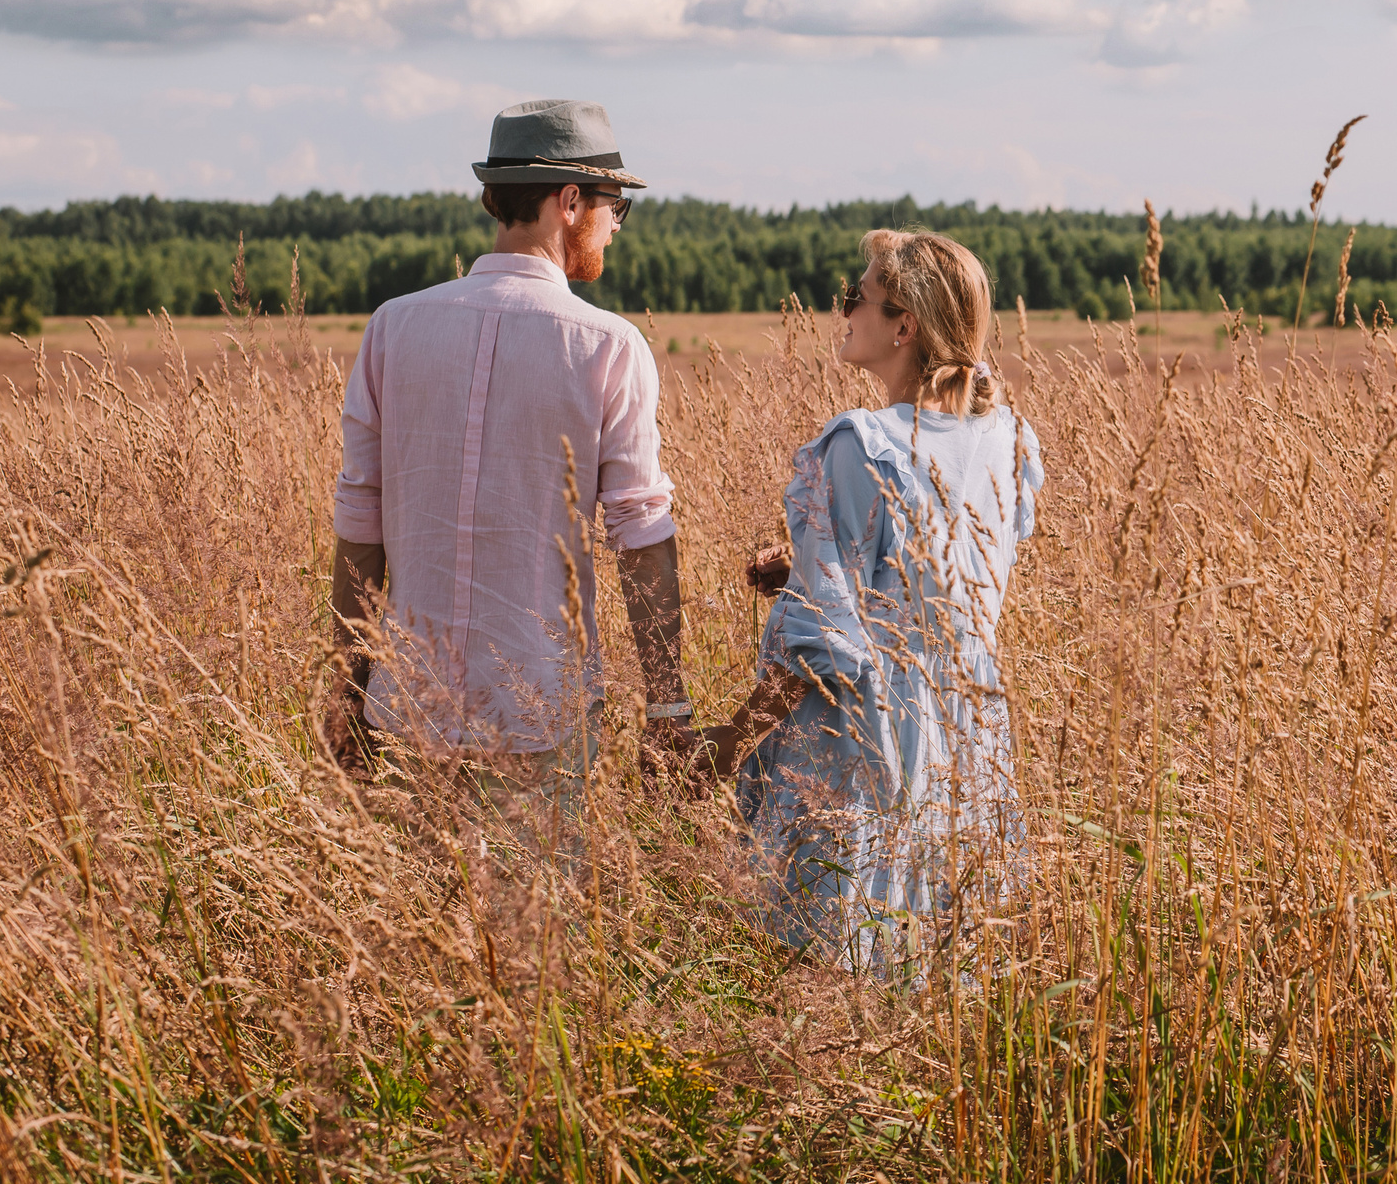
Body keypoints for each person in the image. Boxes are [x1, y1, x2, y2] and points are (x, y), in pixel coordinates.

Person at [326, 98, 694, 844]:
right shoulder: (609, 346)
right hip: (541, 714)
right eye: (614, 205)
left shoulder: (393, 325)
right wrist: (666, 708)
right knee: (535, 951)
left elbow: (359, 528)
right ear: (568, 202)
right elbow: (639, 535)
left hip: (405, 710)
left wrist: (347, 691)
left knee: (412, 943)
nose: (617, 224)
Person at [710, 229, 1043, 979]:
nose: (842, 310)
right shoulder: (1010, 440)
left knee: (828, 974)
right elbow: (945, 577)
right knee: (935, 978)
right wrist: (806, 565)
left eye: (852, 296)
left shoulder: (860, 445)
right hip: (969, 733)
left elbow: (823, 650)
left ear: (905, 325)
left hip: (865, 742)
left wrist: (725, 746)